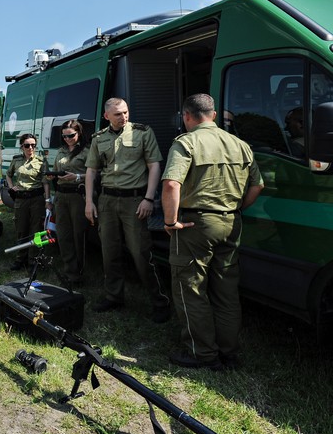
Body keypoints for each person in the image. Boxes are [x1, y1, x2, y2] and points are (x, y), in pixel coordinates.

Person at [162, 93, 264, 370]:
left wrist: (171, 222)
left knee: (191, 288)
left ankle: (202, 353)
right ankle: (229, 352)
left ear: (186, 116)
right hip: (231, 222)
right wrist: (233, 208)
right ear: (214, 115)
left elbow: (172, 184)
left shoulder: (187, 142)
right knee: (226, 291)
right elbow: (257, 186)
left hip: (196, 224)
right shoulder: (240, 145)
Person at [84, 97, 171, 323]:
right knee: (109, 252)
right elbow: (91, 172)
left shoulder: (143, 132)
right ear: (106, 116)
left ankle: (160, 302)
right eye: (117, 114)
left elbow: (154, 166)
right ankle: (114, 296)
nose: (123, 117)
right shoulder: (98, 138)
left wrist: (149, 198)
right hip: (107, 201)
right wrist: (89, 202)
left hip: (135, 201)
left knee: (141, 254)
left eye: (125, 112)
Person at [46, 120, 89, 285]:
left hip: (78, 196)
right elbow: (58, 171)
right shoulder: (61, 151)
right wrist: (53, 176)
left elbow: (97, 173)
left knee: (79, 235)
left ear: (79, 133)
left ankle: (79, 272)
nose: (67, 139)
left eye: (71, 135)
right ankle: (70, 272)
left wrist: (77, 177)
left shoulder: (87, 150)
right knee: (63, 235)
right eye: (64, 136)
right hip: (61, 197)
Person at [6, 133, 51, 271]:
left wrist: (47, 200)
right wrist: (10, 187)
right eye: (27, 145)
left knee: (36, 229)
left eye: (33, 145)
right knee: (21, 229)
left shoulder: (41, 161)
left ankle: (33, 261)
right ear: (22, 147)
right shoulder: (16, 160)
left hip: (36, 199)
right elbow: (8, 174)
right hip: (20, 199)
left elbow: (46, 182)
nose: (30, 148)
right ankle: (21, 258)